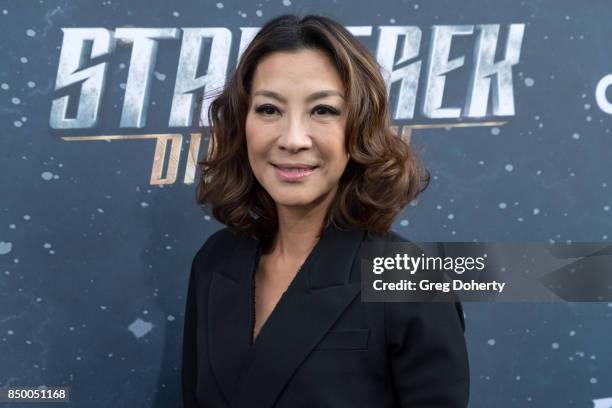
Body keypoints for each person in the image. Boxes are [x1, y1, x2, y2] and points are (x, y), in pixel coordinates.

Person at [182, 13, 469, 408]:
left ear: (360, 127)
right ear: (241, 122)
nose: (293, 139)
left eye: (323, 111)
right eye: (269, 110)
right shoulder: (215, 261)